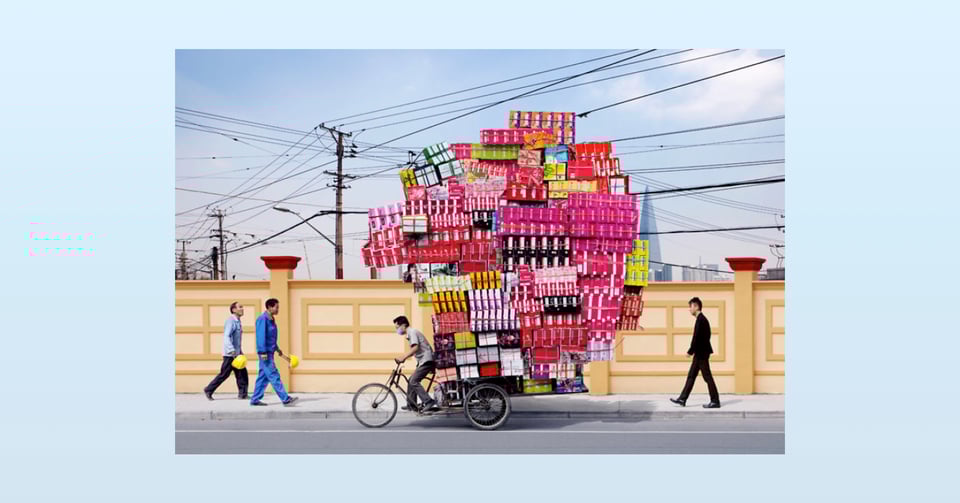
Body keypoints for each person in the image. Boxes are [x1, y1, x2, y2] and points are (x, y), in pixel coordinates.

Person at [671, 297, 721, 408]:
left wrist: (690, 351)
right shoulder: (701, 319)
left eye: (691, 306)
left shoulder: (701, 320)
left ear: (696, 306)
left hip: (701, 354)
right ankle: (682, 399)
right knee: (691, 376)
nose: (689, 309)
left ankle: (715, 401)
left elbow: (697, 338)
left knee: (707, 377)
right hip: (700, 353)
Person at [250, 298, 298, 407]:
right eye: (276, 307)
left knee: (263, 377)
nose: (278, 309)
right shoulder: (263, 319)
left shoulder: (271, 319)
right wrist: (262, 352)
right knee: (273, 375)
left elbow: (271, 337)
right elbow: (261, 336)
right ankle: (285, 399)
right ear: (270, 307)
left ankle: (255, 399)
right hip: (265, 353)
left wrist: (277, 349)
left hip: (270, 351)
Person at [393, 315, 440, 412]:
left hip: (427, 360)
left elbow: (415, 348)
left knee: (413, 381)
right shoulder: (410, 334)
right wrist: (405, 358)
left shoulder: (412, 332)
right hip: (423, 360)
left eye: (397, 328)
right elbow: (414, 350)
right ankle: (411, 404)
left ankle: (428, 401)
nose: (397, 330)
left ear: (404, 325)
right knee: (411, 380)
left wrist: (403, 357)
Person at [203, 302, 249, 400]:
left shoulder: (237, 321)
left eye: (242, 307)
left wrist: (240, 352)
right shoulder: (230, 321)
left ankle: (243, 394)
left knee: (242, 374)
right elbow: (226, 336)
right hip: (230, 355)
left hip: (237, 354)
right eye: (240, 307)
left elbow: (236, 340)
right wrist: (232, 351)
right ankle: (208, 389)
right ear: (234, 310)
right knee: (224, 374)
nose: (242, 309)